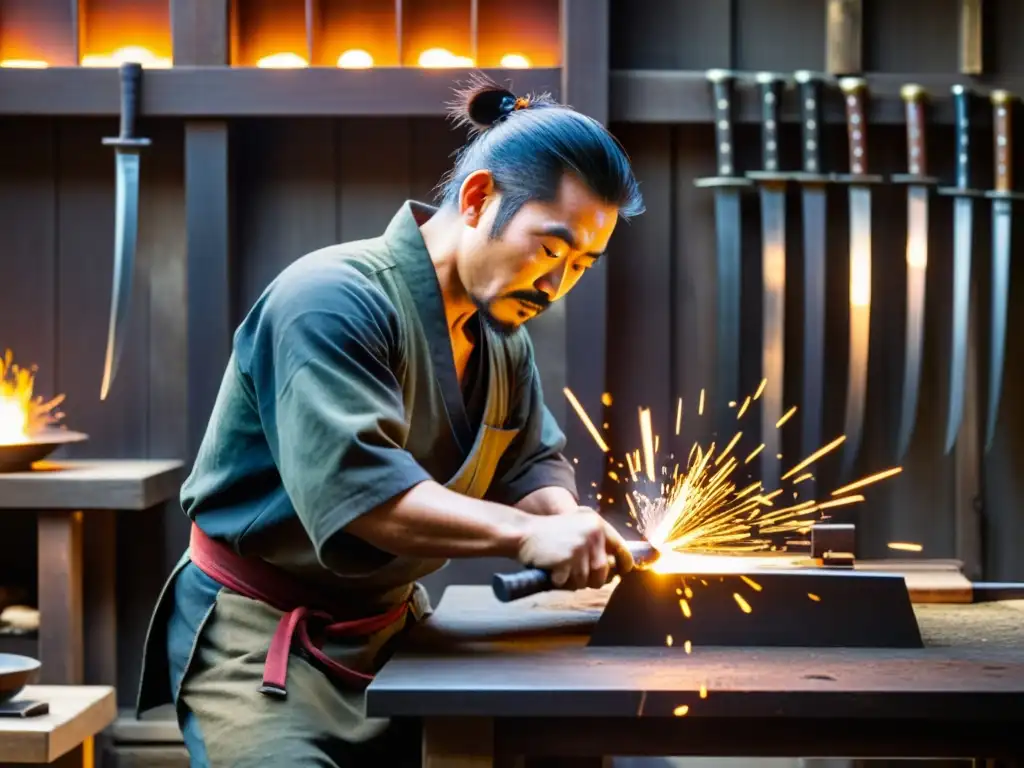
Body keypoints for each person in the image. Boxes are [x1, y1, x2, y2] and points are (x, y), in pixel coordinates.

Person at [135, 73, 646, 766]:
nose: (558, 285)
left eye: (582, 264)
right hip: (262, 642)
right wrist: (530, 536)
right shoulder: (329, 301)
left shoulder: (502, 339)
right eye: (551, 249)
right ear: (477, 198)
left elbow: (529, 463)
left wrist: (560, 520)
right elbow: (363, 497)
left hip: (397, 632)